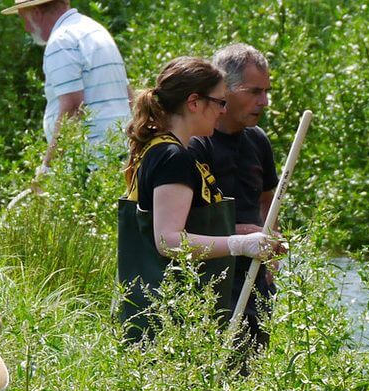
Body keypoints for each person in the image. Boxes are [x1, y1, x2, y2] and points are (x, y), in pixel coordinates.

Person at [117, 57, 286, 344]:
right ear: (194, 102)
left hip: (169, 313)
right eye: (219, 102)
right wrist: (239, 244)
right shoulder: (174, 158)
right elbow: (169, 241)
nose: (223, 111)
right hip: (170, 317)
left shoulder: (163, 150)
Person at [189, 44, 280, 353]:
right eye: (254, 91)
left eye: (266, 92)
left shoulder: (258, 139)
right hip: (210, 279)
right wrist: (243, 235)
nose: (264, 101)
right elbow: (184, 224)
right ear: (224, 89)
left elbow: (268, 199)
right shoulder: (197, 143)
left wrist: (271, 254)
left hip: (255, 279)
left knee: (255, 365)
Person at [2, 0, 132, 178]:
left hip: (92, 162)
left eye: (24, 19)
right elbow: (127, 92)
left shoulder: (61, 41)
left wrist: (48, 168)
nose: (26, 28)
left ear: (36, 13)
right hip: (120, 152)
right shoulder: (95, 30)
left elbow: (72, 109)